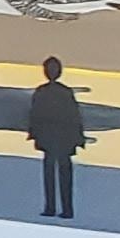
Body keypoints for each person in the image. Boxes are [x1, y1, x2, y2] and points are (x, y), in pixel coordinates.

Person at [28, 56, 86, 222]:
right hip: (56, 139)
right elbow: (36, 116)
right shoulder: (57, 92)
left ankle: (57, 208)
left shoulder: (47, 92)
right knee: (58, 174)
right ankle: (59, 208)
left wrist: (35, 134)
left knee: (55, 174)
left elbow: (73, 116)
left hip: (56, 138)